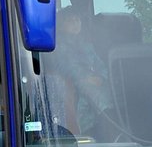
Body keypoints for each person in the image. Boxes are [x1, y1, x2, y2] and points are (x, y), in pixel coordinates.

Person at [47, 7, 113, 137]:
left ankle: (110, 125)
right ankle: (106, 124)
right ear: (61, 25)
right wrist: (85, 78)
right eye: (70, 21)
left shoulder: (87, 45)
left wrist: (101, 77)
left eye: (77, 20)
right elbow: (66, 67)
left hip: (95, 84)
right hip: (75, 86)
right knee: (94, 97)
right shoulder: (57, 45)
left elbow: (101, 65)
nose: (75, 23)